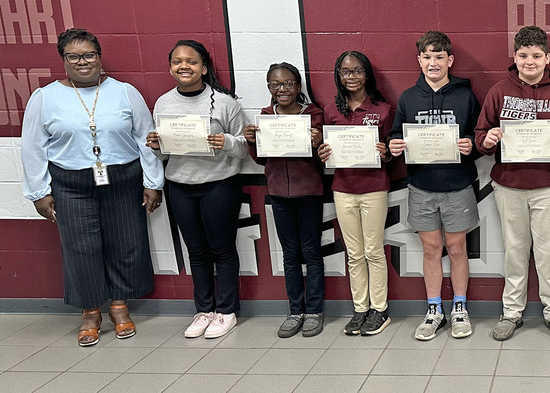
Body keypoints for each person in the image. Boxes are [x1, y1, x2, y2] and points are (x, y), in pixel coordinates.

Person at [21, 29, 164, 347]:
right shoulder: (44, 97)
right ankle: (89, 312)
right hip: (70, 184)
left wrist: (153, 182)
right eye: (74, 56)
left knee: (125, 242)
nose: (82, 61)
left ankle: (119, 305)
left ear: (99, 57)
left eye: (89, 55)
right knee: (80, 248)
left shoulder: (125, 92)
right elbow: (32, 147)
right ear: (64, 60)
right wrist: (39, 191)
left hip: (123, 179)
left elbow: (146, 138)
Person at [475, 25, 550, 343]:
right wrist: (490, 137)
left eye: (537, 56)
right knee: (515, 251)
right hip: (509, 185)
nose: (530, 61)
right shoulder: (498, 91)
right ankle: (511, 312)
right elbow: (481, 136)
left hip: (548, 186)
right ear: (515, 57)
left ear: (547, 58)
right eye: (523, 55)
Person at [146, 40, 247, 339]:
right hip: (180, 186)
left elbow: (244, 148)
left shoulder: (225, 103)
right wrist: (155, 147)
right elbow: (164, 154)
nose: (184, 66)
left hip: (219, 185)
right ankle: (204, 310)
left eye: (191, 61)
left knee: (223, 249)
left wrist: (226, 142)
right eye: (177, 61)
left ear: (203, 68)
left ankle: (226, 311)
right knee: (196, 251)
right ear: (170, 68)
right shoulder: (163, 103)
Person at [389, 31, 481, 340]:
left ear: (449, 60)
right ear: (419, 60)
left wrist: (472, 145)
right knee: (431, 249)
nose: (433, 63)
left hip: (457, 185)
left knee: (456, 248)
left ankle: (459, 307)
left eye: (439, 57)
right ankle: (433, 309)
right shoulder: (408, 97)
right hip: (421, 186)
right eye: (427, 57)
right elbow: (394, 135)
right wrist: (394, 145)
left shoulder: (465, 96)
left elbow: (479, 136)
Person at [243, 63, 326, 338]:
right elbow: (262, 159)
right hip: (278, 194)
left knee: (312, 253)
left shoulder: (313, 115)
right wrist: (252, 142)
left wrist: (317, 143)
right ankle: (295, 311)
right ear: (269, 88)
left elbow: (324, 158)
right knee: (290, 256)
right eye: (276, 84)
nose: (282, 89)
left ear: (298, 87)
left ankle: (314, 310)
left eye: (288, 83)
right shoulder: (265, 117)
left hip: (309, 194)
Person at [318, 51, 394, 337]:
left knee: (373, 251)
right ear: (338, 75)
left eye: (357, 71)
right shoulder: (331, 111)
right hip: (343, 189)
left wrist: (385, 154)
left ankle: (380, 309)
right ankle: (360, 309)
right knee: (354, 253)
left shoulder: (384, 109)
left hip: (374, 188)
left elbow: (391, 154)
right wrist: (322, 153)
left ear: (367, 75)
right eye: (345, 71)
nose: (351, 77)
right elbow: (326, 152)